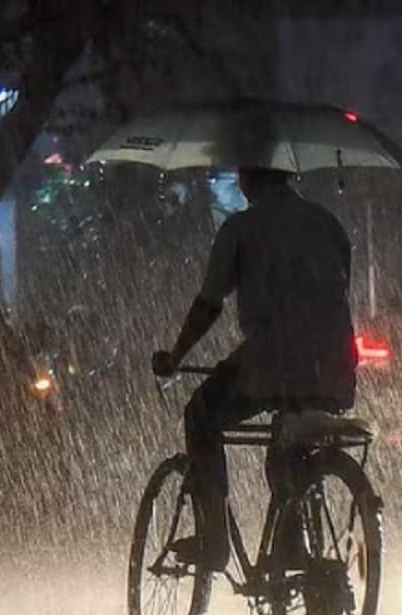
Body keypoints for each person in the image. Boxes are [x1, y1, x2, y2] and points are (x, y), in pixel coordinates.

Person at [152, 166, 357, 573]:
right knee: (291, 438)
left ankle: (214, 539)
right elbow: (337, 291)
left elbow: (210, 302)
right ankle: (291, 541)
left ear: (248, 178)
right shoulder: (327, 223)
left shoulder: (241, 229)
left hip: (273, 357)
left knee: (201, 414)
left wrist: (176, 355)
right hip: (334, 362)